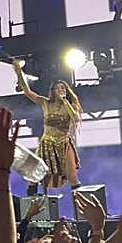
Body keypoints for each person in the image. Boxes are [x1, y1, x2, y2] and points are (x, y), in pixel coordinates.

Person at [12, 59, 82, 190]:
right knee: (34, 176)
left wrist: (65, 102)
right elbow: (27, 92)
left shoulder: (71, 106)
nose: (61, 90)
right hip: (47, 143)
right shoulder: (46, 103)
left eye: (63, 88)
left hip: (63, 143)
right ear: (53, 91)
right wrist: (18, 72)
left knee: (72, 176)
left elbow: (76, 118)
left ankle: (82, 207)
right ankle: (31, 203)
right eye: (58, 88)